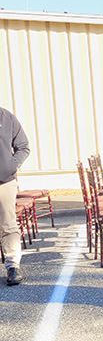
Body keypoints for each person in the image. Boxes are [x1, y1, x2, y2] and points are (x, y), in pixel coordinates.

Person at [0, 106, 30, 286]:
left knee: (8, 225)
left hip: (4, 182)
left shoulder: (6, 118)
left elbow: (23, 147)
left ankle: (12, 266)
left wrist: (11, 165)